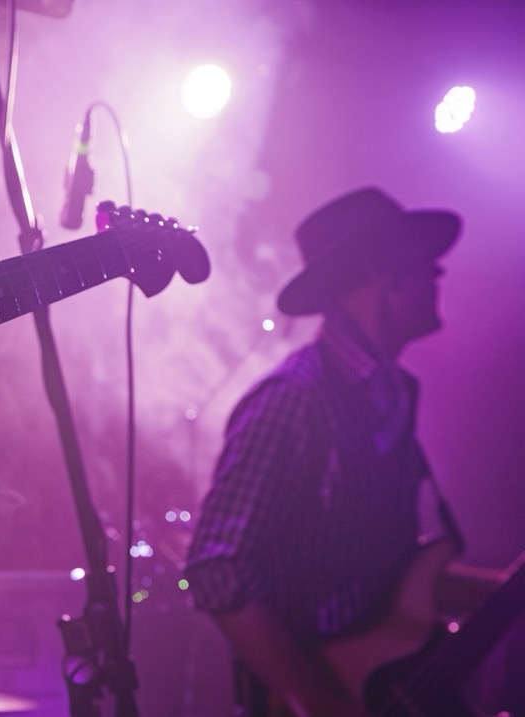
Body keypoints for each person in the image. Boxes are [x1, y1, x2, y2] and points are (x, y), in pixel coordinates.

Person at [184, 186, 519, 716]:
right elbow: (215, 569)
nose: (439, 274)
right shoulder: (295, 399)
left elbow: (395, 585)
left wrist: (505, 591)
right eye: (423, 261)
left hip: (397, 687)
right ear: (382, 272)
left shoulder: (398, 394)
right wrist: (317, 701)